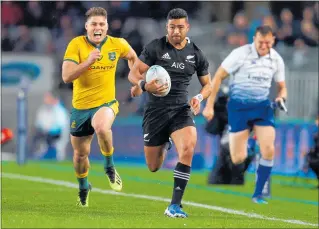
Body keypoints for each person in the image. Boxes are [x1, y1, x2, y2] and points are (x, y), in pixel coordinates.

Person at [128, 8, 212, 218]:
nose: (176, 31)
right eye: (172, 27)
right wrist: (144, 85)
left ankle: (175, 205)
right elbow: (134, 72)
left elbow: (208, 85)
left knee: (189, 146)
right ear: (167, 27)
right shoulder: (155, 47)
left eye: (180, 27)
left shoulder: (196, 54)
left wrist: (199, 98)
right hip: (155, 112)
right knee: (153, 166)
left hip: (180, 111)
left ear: (187, 28)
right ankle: (165, 141)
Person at [62, 7, 138, 207]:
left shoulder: (117, 44)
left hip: (106, 103)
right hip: (80, 108)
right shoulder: (76, 45)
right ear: (87, 27)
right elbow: (66, 76)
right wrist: (87, 62)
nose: (98, 28)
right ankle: (83, 187)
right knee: (80, 155)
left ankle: (109, 167)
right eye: (94, 24)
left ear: (106, 26)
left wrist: (136, 80)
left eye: (102, 24)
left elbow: (133, 58)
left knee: (102, 127)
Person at [203, 25, 287, 204]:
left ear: (272, 41)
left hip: (262, 108)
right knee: (237, 157)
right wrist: (209, 105)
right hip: (239, 108)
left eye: (268, 42)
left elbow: (282, 86)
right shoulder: (240, 54)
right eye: (260, 42)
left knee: (268, 148)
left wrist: (282, 97)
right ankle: (249, 151)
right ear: (254, 39)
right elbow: (217, 77)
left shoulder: (276, 59)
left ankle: (259, 193)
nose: (264, 46)